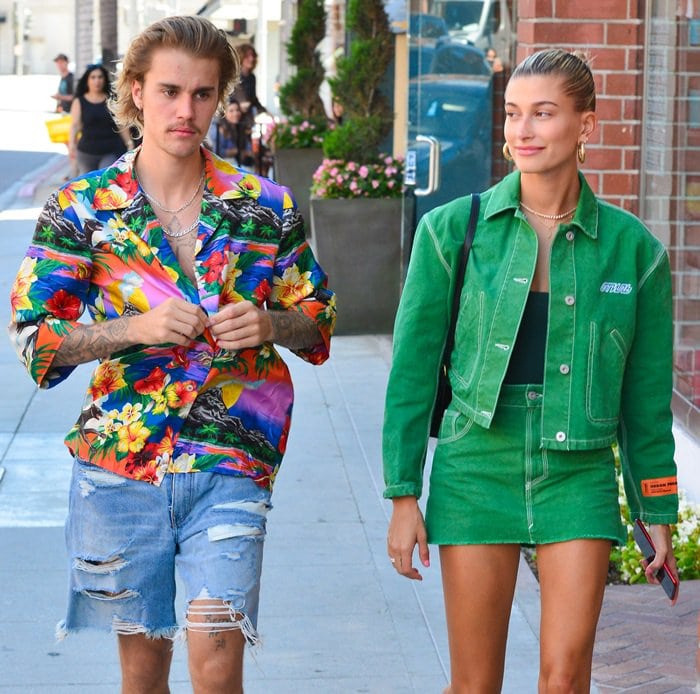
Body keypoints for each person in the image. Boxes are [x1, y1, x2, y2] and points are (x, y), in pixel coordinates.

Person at [8, 14, 335, 693]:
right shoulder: (83, 209)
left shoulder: (262, 206)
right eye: (168, 91)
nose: (185, 111)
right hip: (121, 469)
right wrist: (136, 328)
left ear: (221, 98)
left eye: (203, 94)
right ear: (134, 92)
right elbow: (35, 342)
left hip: (230, 456)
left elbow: (318, 318)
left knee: (217, 661)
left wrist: (271, 324)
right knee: (144, 674)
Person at [383, 48, 679, 692]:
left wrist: (657, 506)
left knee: (566, 676)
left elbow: (647, 403)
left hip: (579, 471)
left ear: (586, 126)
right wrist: (404, 495)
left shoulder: (636, 253)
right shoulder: (449, 231)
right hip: (475, 464)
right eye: (514, 114)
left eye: (543, 114)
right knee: (474, 683)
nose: (523, 130)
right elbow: (409, 375)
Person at [69, 63, 133, 175]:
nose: (97, 81)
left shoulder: (112, 99)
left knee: (106, 182)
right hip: (86, 152)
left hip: (111, 151)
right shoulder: (79, 101)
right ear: (87, 80)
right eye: (93, 77)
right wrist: (71, 145)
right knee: (89, 187)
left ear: (104, 79)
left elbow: (121, 124)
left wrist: (129, 143)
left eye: (100, 77)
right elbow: (75, 125)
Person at [209, 96, 255, 169]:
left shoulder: (240, 126)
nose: (235, 113)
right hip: (223, 166)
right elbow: (217, 152)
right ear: (224, 113)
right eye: (231, 111)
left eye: (237, 110)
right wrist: (237, 151)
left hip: (238, 165)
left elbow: (248, 149)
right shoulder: (218, 128)